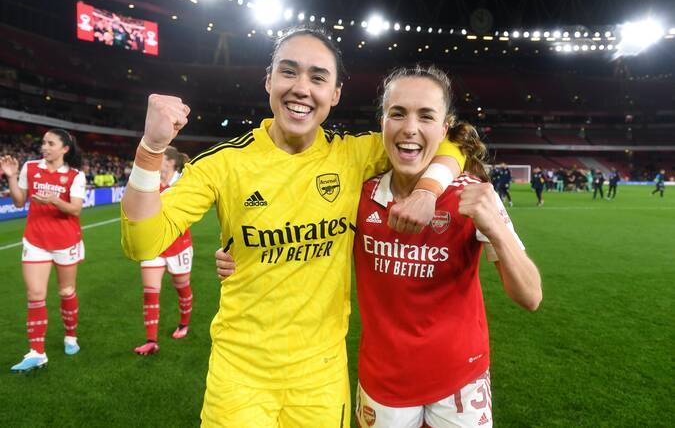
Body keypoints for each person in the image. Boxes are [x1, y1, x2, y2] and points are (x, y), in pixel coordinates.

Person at [120, 25, 466, 427]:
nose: (301, 88)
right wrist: (151, 149)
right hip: (240, 373)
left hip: (321, 376)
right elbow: (142, 243)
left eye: (318, 78)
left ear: (335, 94)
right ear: (269, 80)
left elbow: (449, 142)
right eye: (288, 72)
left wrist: (426, 190)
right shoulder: (223, 163)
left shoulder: (354, 154)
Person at [217, 65, 542, 428]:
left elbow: (530, 296)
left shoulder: (472, 195)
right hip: (384, 382)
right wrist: (240, 255)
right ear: (382, 122)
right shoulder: (358, 194)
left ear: (444, 128)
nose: (410, 128)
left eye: (426, 116)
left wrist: (496, 229)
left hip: (460, 380)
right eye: (397, 113)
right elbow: (297, 234)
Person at [1, 129, 86, 372]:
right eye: (44, 143)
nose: (44, 147)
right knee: (35, 295)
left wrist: (54, 200)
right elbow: (19, 201)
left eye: (50, 143)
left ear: (65, 149)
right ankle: (37, 352)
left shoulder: (75, 175)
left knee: (66, 291)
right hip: (35, 240)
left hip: (66, 241)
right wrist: (12, 177)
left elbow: (76, 209)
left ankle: (71, 336)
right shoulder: (30, 167)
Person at [134, 146, 194, 355]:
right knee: (150, 292)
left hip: (179, 245)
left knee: (182, 286)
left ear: (169, 162)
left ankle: (184, 324)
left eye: (158, 157)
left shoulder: (184, 182)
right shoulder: (149, 181)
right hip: (154, 245)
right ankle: (151, 340)